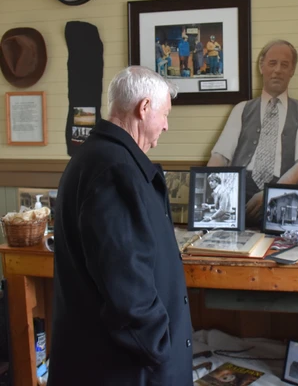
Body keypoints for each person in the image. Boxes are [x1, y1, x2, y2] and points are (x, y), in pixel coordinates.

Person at [48, 66, 193, 386]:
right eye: (165, 114)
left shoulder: (95, 157)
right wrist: (161, 352)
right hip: (126, 370)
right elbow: (127, 289)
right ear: (144, 108)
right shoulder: (114, 171)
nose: (166, 126)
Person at [207, 39, 298, 226]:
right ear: (261, 66)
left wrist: (270, 193)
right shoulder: (241, 109)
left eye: (285, 65)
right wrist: (210, 193)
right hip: (238, 188)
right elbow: (221, 156)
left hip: (283, 190)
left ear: (292, 71)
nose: (277, 70)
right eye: (272, 63)